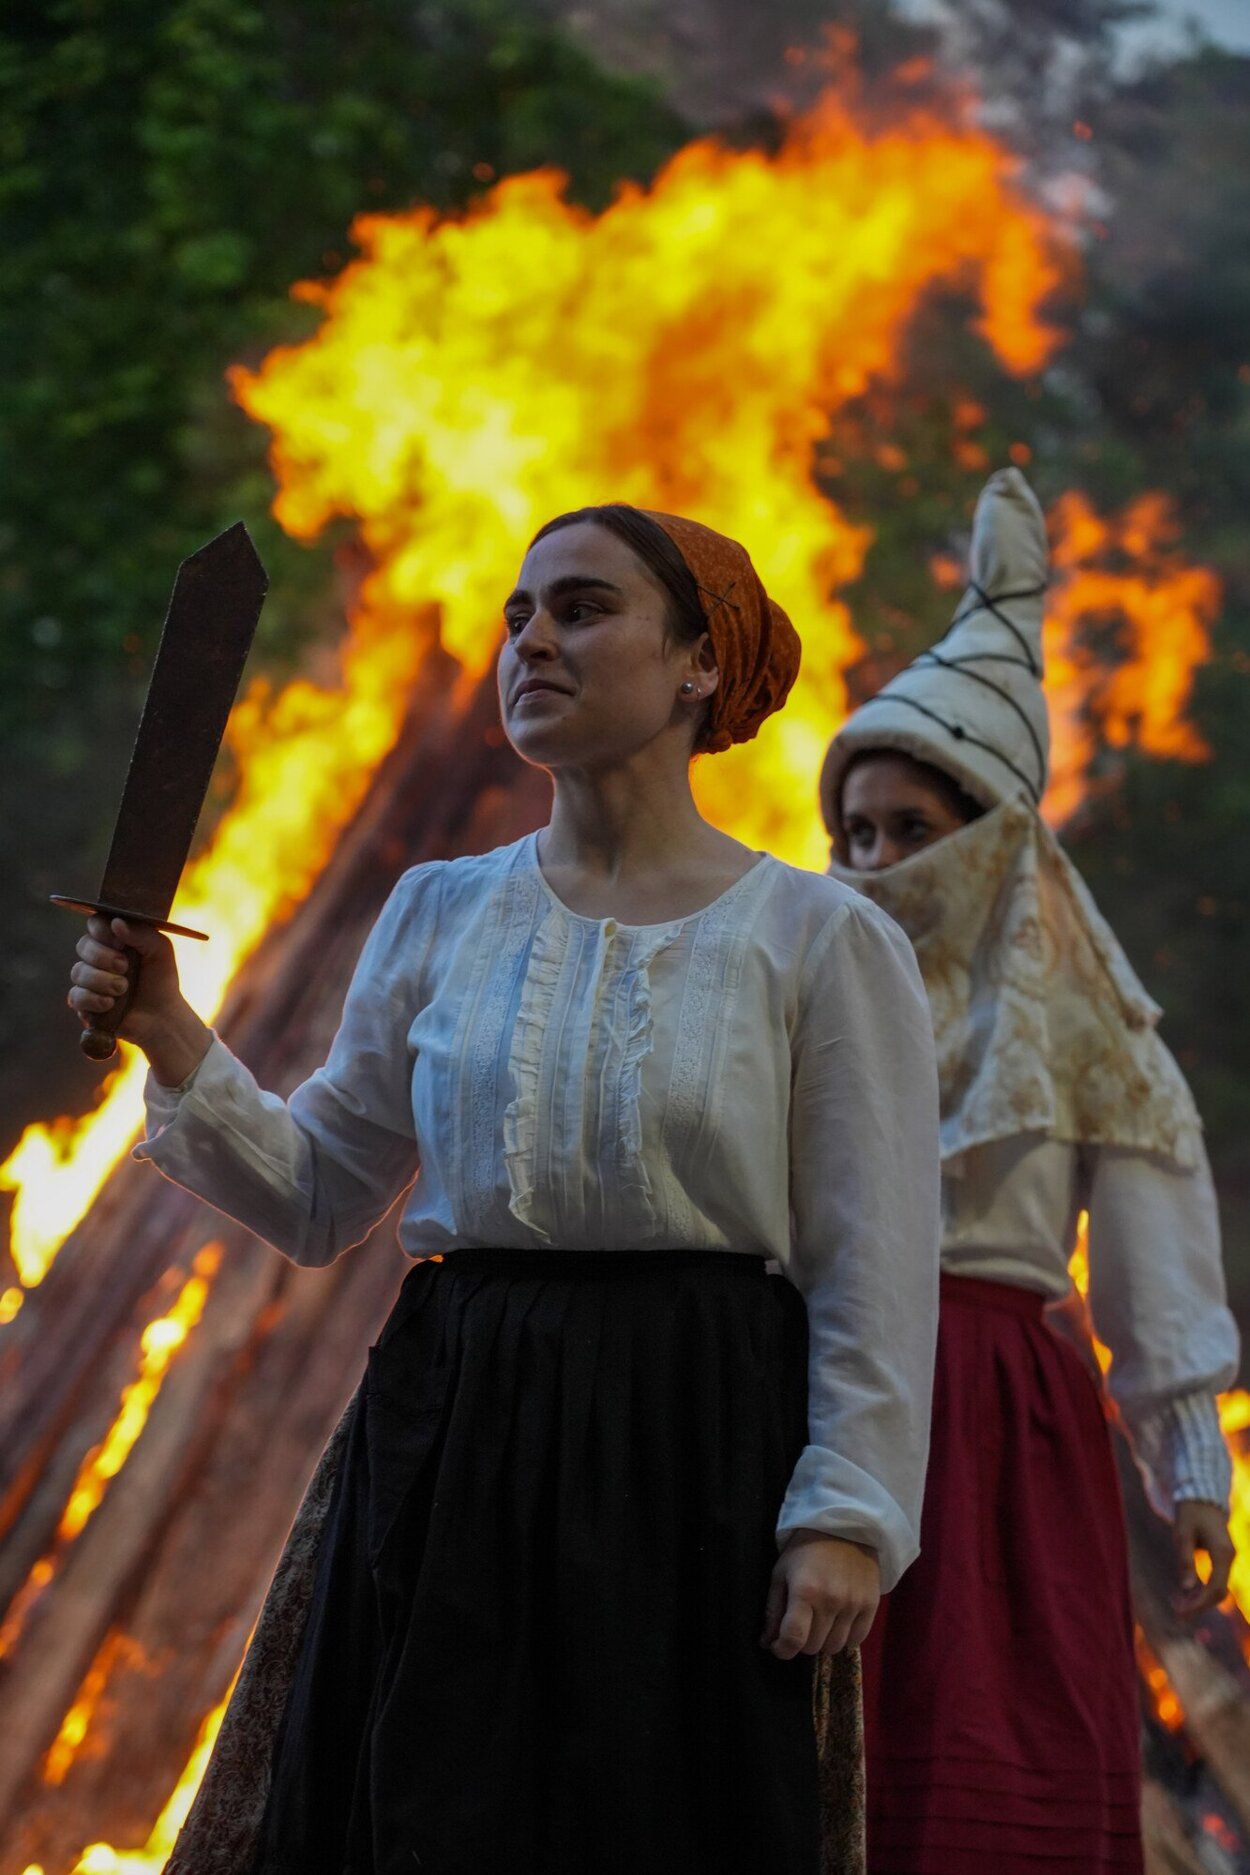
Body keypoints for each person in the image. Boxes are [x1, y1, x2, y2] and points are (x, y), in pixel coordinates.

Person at [71, 504, 941, 1875]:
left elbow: (873, 1253)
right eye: (516, 614)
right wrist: (172, 1032)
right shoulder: (439, 909)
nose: (532, 638)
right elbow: (316, 1194)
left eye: (582, 609)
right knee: (424, 1812)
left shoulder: (817, 938)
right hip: (454, 1421)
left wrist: (845, 1515)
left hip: (693, 1437)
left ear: (699, 664)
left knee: (656, 1822)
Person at [819, 466, 1240, 1875]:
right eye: (853, 833)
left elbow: (1153, 1229)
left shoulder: (1078, 1020)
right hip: (807, 1385)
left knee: (987, 1738)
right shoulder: (799, 989)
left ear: (993, 842)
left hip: (990, 1412)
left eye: (908, 831)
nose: (874, 861)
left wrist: (1190, 1464)